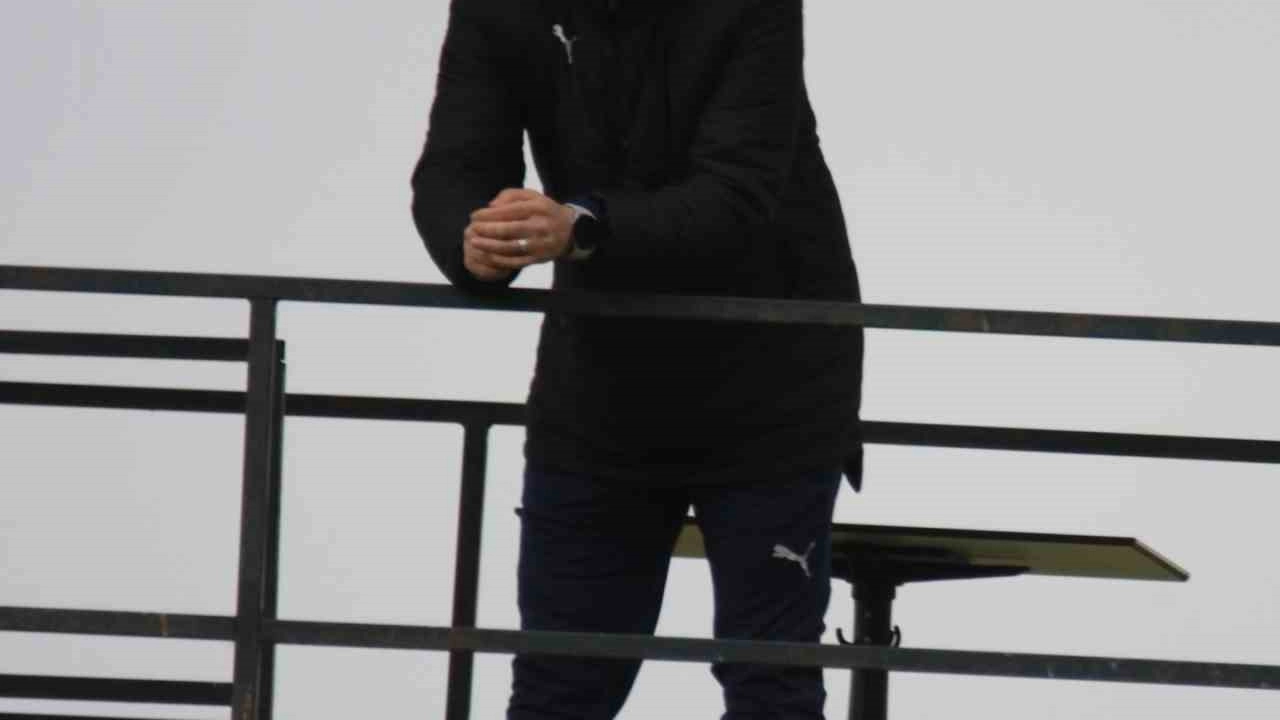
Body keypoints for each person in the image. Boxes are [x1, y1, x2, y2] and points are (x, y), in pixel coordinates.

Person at [410, 0, 863, 717]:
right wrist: (475, 243)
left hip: (774, 384)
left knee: (770, 688)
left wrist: (582, 227)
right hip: (599, 390)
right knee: (560, 690)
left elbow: (737, 193)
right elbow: (453, 169)